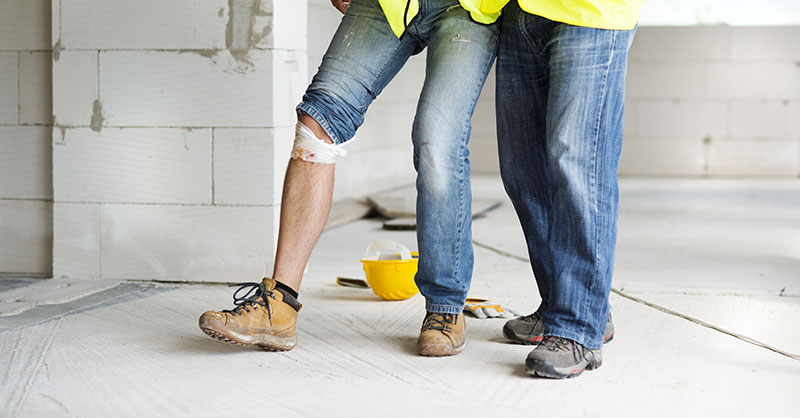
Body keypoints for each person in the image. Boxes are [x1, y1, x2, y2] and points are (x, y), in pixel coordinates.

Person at [198, 0, 500, 356]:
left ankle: (445, 309)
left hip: (470, 7)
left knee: (438, 140)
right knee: (317, 123)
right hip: (390, 3)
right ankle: (278, 306)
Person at [483, 0, 642, 378]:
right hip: (516, 12)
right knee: (523, 170)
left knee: (578, 167)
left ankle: (577, 327)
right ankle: (564, 304)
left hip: (589, 11)